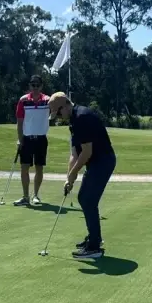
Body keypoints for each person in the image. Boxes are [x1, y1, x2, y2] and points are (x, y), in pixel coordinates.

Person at [48, 93, 116, 259]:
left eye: (58, 113)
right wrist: (68, 177)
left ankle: (94, 247)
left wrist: (73, 174)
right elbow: (75, 153)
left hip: (103, 161)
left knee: (87, 199)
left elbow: (87, 152)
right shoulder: (73, 120)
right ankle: (94, 239)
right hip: (96, 162)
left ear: (65, 106)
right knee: (85, 198)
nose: (58, 117)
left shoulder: (82, 117)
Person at [14, 75, 51, 206]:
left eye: (37, 85)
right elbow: (19, 122)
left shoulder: (47, 101)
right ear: (30, 86)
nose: (35, 88)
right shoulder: (23, 100)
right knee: (24, 167)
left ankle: (35, 195)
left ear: (41, 86)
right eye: (33, 85)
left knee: (39, 168)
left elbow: (61, 107)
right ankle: (25, 196)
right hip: (27, 139)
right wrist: (20, 139)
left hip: (41, 138)